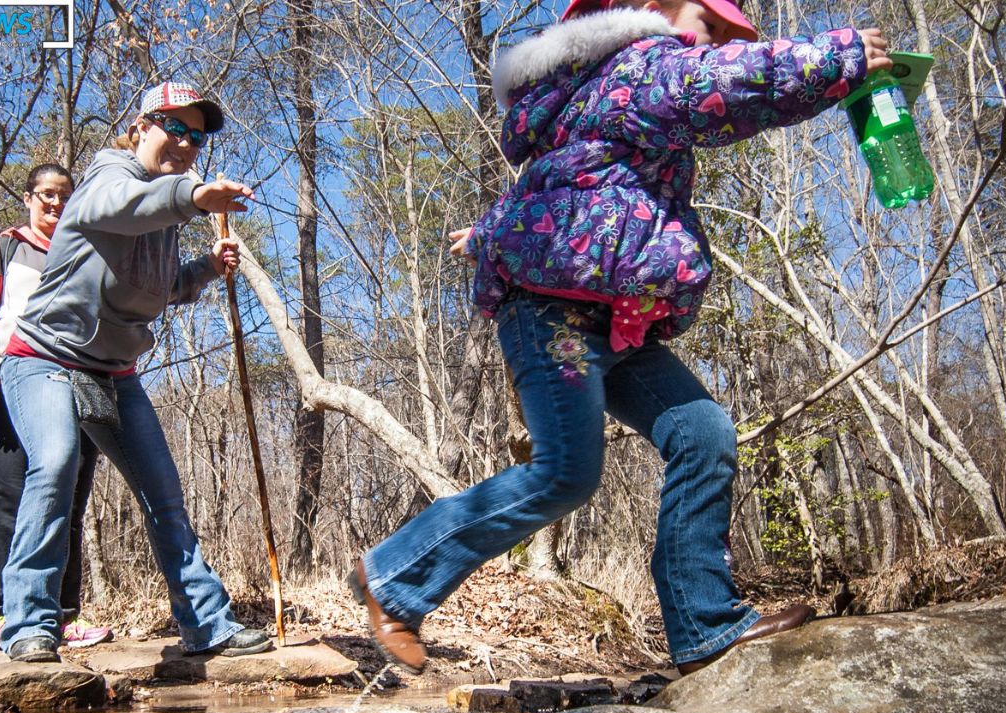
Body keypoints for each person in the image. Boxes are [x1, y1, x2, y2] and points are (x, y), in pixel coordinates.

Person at [348, 0, 893, 675]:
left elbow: (579, 187)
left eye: (726, 33)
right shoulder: (642, 63)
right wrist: (838, 58)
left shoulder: (605, 87)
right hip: (557, 319)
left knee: (703, 433)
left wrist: (490, 234)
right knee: (565, 473)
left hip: (618, 320)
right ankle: (395, 578)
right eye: (711, 21)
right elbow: (726, 86)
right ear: (657, 7)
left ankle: (704, 624)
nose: (716, 39)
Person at [0, 81, 271, 662]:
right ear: (140, 126)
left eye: (196, 136)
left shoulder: (167, 214)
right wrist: (194, 196)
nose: (186, 142)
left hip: (115, 371)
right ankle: (27, 625)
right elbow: (120, 207)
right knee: (56, 464)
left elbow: (156, 288)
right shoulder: (105, 177)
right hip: (42, 357)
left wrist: (201, 268)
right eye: (174, 127)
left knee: (164, 494)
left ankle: (206, 625)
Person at [0, 164, 113, 650]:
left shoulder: (85, 251)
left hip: (78, 386)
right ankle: (0, 611)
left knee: (69, 500)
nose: (55, 204)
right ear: (28, 198)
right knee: (10, 496)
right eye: (46, 194)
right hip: (9, 383)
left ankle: (61, 614)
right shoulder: (4, 247)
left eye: (65, 196)